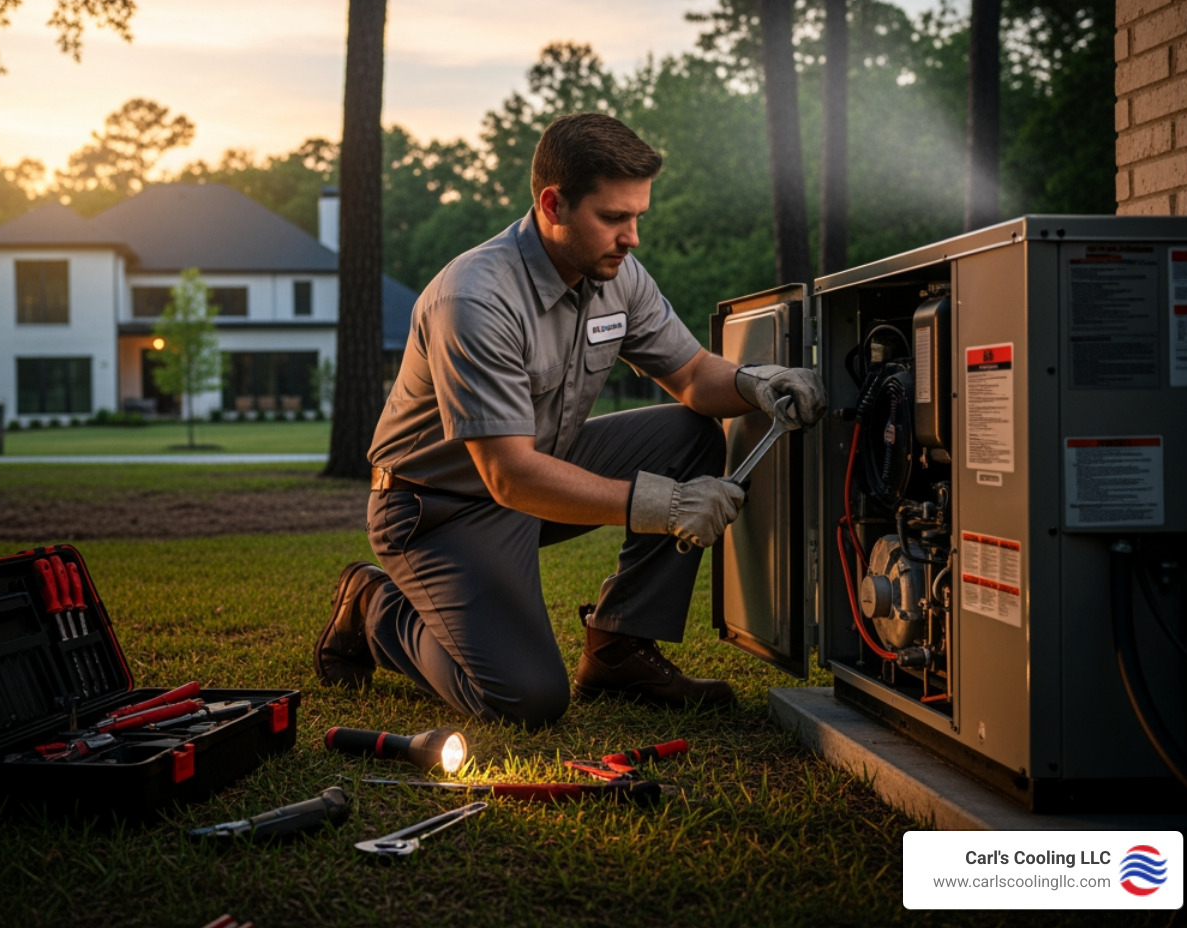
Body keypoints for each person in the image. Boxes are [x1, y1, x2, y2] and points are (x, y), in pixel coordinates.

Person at [314, 113, 825, 727]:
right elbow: (509, 476)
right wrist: (663, 506)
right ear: (552, 204)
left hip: (534, 477)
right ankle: (374, 608)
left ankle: (618, 649)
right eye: (613, 217)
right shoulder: (475, 299)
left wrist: (756, 382)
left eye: (638, 216)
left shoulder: (618, 275)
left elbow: (692, 376)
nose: (632, 236)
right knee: (526, 701)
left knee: (688, 432)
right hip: (438, 508)